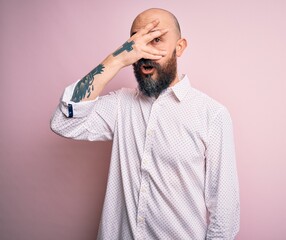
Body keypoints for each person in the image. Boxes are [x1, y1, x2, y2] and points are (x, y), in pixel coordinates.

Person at [51, 8, 240, 240]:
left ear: (179, 47)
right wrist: (118, 58)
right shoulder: (121, 104)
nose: (144, 50)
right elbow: (64, 122)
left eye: (156, 39)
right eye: (136, 41)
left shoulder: (212, 115)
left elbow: (225, 211)